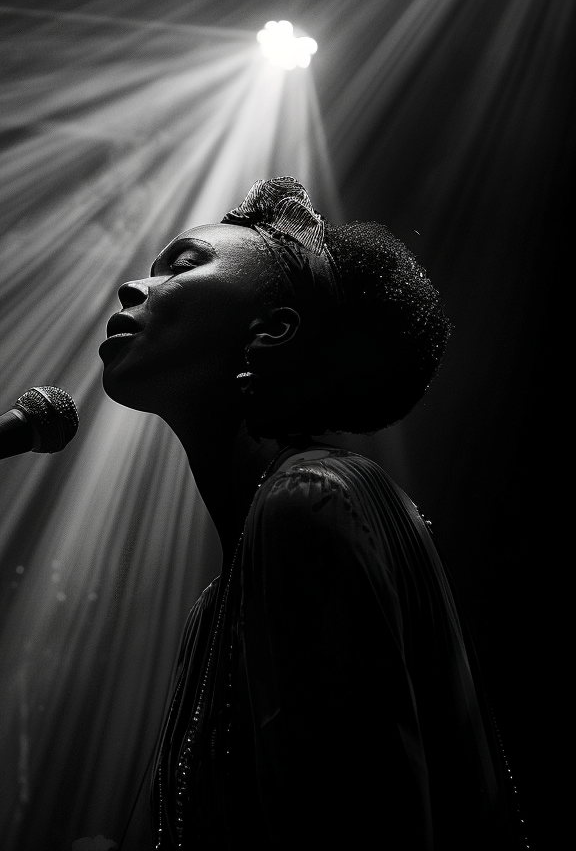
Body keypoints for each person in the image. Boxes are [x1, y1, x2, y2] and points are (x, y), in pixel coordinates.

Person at [98, 177, 524, 850]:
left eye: (183, 265)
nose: (134, 288)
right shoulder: (217, 603)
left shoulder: (312, 501)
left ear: (273, 329)